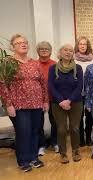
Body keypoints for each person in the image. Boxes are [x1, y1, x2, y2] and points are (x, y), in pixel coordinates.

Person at [1, 34, 49, 172]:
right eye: (19, 43)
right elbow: (3, 85)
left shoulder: (35, 63)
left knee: (35, 131)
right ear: (13, 46)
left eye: (25, 42)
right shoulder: (8, 63)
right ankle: (23, 160)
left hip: (36, 104)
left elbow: (42, 83)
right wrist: (8, 104)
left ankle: (34, 158)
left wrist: (45, 101)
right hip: (19, 105)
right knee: (23, 132)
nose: (23, 44)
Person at [48, 44, 83, 164]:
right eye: (65, 50)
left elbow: (79, 87)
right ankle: (63, 153)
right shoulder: (53, 68)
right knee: (62, 129)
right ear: (60, 53)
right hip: (58, 103)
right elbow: (51, 86)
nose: (68, 52)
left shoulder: (78, 68)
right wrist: (61, 101)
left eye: (70, 50)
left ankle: (76, 151)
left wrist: (69, 100)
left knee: (75, 128)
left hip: (75, 102)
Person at [36, 41, 59, 156]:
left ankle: (55, 142)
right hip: (38, 99)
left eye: (46, 49)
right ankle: (41, 145)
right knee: (39, 123)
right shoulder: (34, 64)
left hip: (53, 98)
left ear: (50, 51)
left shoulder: (55, 64)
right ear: (38, 51)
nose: (44, 50)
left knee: (55, 122)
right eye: (41, 49)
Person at [74, 36, 93, 147]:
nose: (82, 46)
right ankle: (80, 138)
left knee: (90, 116)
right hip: (77, 93)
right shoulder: (73, 59)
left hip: (90, 93)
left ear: (88, 46)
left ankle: (88, 137)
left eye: (84, 44)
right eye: (80, 44)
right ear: (77, 45)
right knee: (79, 117)